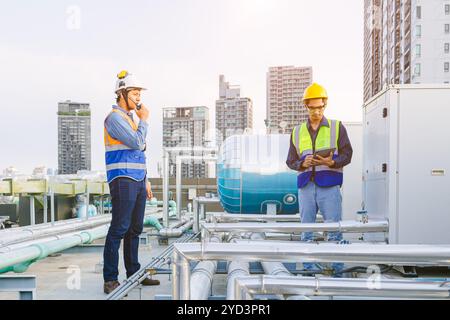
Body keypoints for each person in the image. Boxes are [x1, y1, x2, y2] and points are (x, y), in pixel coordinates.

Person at [286, 83, 353, 276]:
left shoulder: (337, 127)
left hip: (329, 186)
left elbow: (347, 155)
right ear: (306, 106)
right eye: (312, 107)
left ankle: (336, 273)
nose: (317, 111)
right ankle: (310, 274)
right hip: (306, 186)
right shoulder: (297, 132)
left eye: (320, 107)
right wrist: (302, 164)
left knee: (334, 230)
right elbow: (290, 161)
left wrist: (331, 161)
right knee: (307, 232)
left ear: (325, 105)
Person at [103, 70, 159, 294]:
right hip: (122, 178)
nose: (138, 97)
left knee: (135, 229)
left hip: (136, 179)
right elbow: (137, 143)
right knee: (119, 228)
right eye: (134, 93)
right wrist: (144, 120)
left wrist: (145, 180)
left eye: (139, 93)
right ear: (121, 94)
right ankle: (110, 278)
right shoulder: (114, 118)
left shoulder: (130, 119)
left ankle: (134, 273)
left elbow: (140, 152)